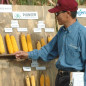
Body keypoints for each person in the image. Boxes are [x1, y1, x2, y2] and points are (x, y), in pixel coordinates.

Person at [15, 0, 86, 86]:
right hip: (60, 78)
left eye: (57, 13)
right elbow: (47, 51)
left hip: (75, 79)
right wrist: (28, 54)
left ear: (68, 13)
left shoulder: (82, 33)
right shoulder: (61, 32)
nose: (56, 17)